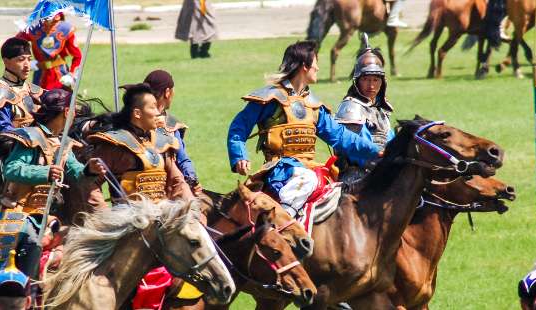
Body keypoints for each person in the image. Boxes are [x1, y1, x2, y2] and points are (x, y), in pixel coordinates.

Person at [0, 89, 103, 302]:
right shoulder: (31, 137)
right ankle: (22, 294)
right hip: (19, 211)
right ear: (66, 111)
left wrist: (89, 170)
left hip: (46, 216)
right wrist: (45, 172)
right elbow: (12, 169)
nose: (75, 113)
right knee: (33, 240)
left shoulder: (62, 142)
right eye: (73, 109)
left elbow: (76, 173)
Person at [226, 40, 379, 216]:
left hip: (309, 167)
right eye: (316, 63)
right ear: (304, 66)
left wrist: (376, 151)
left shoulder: (313, 106)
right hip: (279, 168)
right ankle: (282, 221)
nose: (318, 69)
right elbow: (239, 127)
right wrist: (239, 156)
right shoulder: (269, 99)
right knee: (307, 179)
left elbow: (341, 136)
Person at [81, 83, 193, 209]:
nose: (158, 113)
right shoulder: (114, 144)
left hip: (162, 216)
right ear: (137, 113)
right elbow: (90, 184)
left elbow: (177, 181)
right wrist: (105, 216)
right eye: (153, 108)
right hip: (127, 221)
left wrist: (190, 206)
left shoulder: (162, 142)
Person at [333, 44, 394, 185]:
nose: (371, 86)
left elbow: (389, 141)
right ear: (357, 81)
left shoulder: (381, 109)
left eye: (375, 80)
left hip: (384, 167)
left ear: (382, 82)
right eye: (366, 80)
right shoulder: (351, 108)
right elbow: (351, 148)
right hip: (356, 175)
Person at [142, 70, 201, 192]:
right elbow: (183, 159)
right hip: (167, 194)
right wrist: (193, 180)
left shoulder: (134, 118)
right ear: (167, 92)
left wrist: (192, 180)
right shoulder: (171, 125)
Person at [0, 37, 42, 139]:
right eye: (21, 60)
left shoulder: (34, 91)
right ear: (6, 62)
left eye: (29, 59)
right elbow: (2, 132)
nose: (27, 65)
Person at [17, 13, 83, 90]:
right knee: (37, 99)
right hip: (39, 74)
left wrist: (71, 75)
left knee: (61, 99)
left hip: (60, 76)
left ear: (58, 16)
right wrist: (26, 62)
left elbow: (78, 56)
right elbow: (14, 44)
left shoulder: (66, 29)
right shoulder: (33, 28)